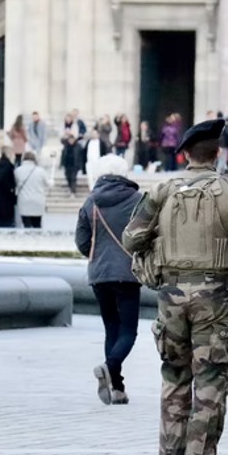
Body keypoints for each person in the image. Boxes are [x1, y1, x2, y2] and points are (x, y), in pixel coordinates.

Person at [123, 118, 228, 455]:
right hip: (214, 300)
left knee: (174, 379)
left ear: (184, 154)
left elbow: (132, 237)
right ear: (217, 153)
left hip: (170, 298)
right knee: (211, 383)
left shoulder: (163, 190)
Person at [75, 154, 143, 406]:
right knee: (128, 330)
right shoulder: (137, 200)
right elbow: (147, 234)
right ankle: (109, 366)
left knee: (111, 328)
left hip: (99, 273)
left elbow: (81, 241)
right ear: (125, 174)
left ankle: (117, 388)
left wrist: (98, 256)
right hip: (127, 272)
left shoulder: (90, 201)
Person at [14, 152, 50, 228]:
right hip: (38, 201)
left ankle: (28, 238)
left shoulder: (18, 171)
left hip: (24, 201)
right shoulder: (41, 171)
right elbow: (48, 184)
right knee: (37, 224)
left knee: (26, 224)